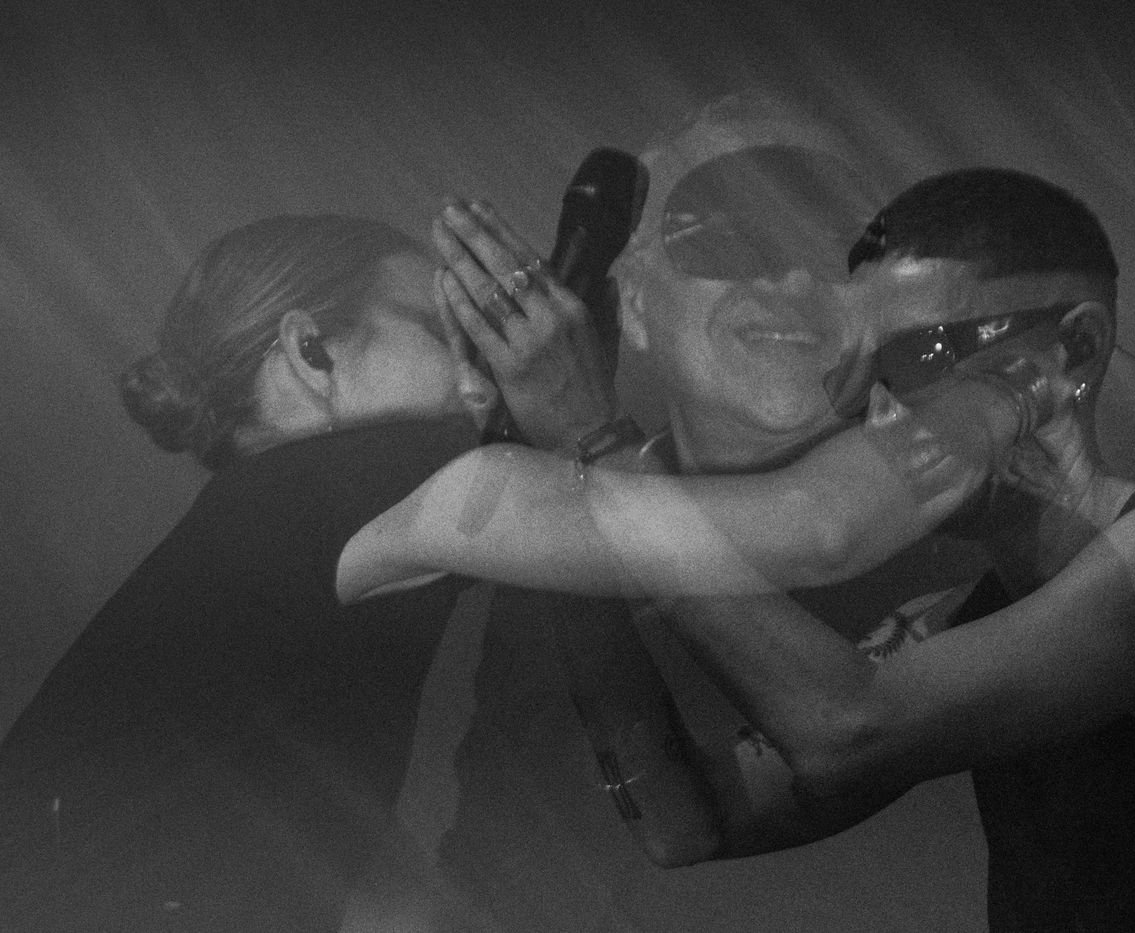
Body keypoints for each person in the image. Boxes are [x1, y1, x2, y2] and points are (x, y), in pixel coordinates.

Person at [0, 196, 1007, 929]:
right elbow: (820, 527)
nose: (482, 370)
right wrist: (1014, 386)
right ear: (313, 353)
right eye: (451, 333)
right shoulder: (350, 482)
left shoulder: (257, 536)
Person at [572, 168, 1135, 931]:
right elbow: (688, 822)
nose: (882, 414)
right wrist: (565, 506)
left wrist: (595, 443)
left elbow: (842, 727)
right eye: (861, 378)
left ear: (1076, 347)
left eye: (918, 357)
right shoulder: (960, 622)